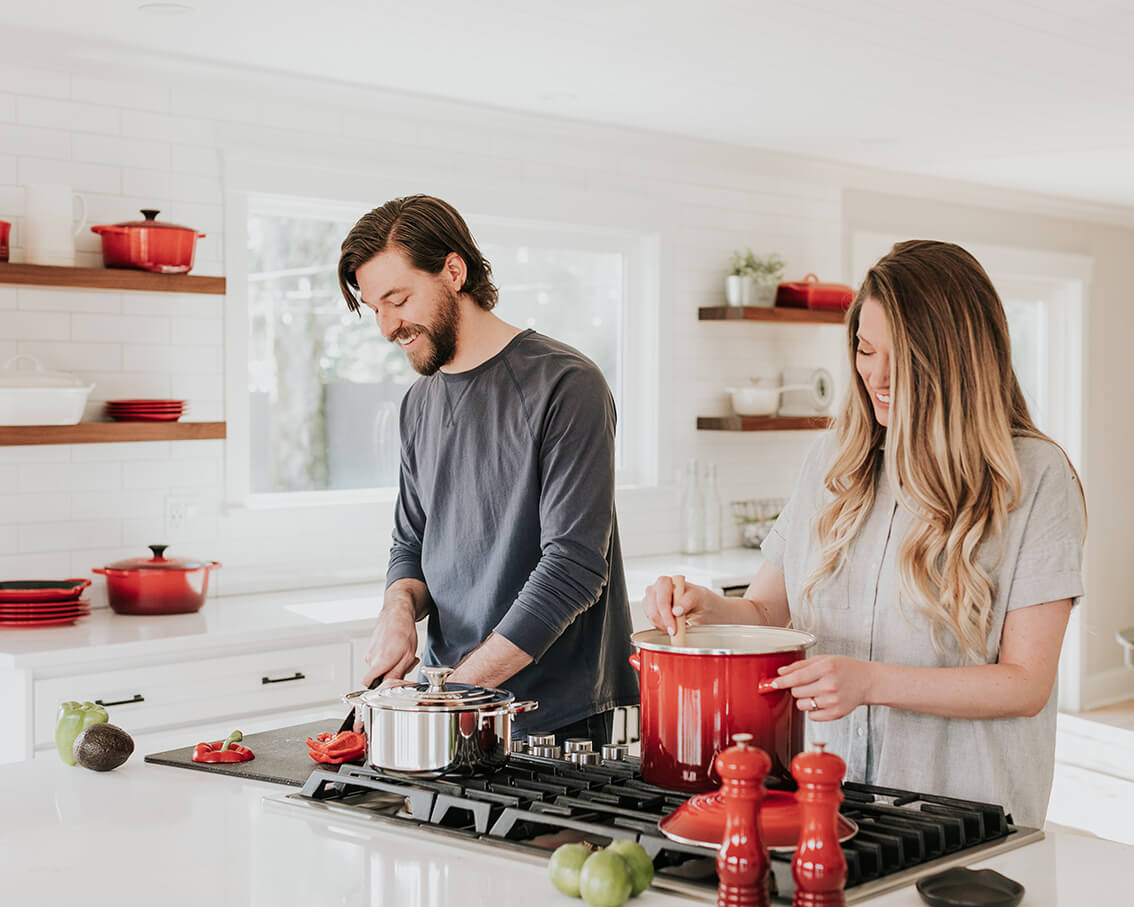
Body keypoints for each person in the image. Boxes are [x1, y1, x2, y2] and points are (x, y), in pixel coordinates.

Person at [642, 240, 1085, 827]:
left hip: (961, 815)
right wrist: (708, 609)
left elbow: (1025, 683)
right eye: (864, 349)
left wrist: (872, 682)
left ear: (958, 359)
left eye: (901, 356)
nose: (876, 375)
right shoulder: (832, 461)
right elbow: (771, 611)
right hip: (826, 802)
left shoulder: (1034, 478)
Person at [337, 194, 639, 748]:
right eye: (373, 308)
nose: (386, 327)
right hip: (445, 704)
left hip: (551, 718)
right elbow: (412, 542)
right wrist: (397, 611)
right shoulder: (418, 402)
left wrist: (449, 698)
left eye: (397, 299)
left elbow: (574, 568)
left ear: (454, 271)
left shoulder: (566, 384)